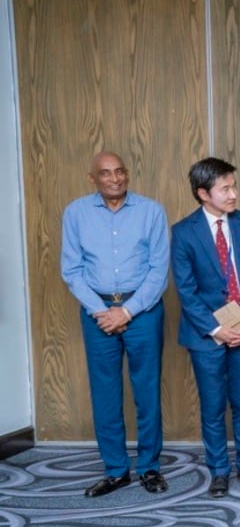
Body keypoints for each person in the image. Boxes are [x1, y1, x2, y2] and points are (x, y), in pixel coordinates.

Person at [61, 152, 170, 497]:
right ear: (92, 178)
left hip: (144, 309)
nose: (115, 179)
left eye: (120, 172)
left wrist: (128, 311)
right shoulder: (76, 213)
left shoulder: (151, 210)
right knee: (106, 393)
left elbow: (158, 269)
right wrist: (102, 311)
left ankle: (149, 467)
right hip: (97, 312)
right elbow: (72, 270)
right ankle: (116, 470)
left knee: (147, 391)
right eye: (105, 174)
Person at [171, 158, 240, 498]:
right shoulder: (183, 232)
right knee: (213, 407)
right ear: (203, 193)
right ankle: (219, 471)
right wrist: (218, 330)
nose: (233, 193)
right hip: (206, 336)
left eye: (233, 186)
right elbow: (186, 291)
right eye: (225, 188)